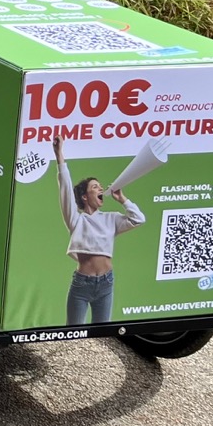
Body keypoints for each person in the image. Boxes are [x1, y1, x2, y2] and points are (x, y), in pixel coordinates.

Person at [53, 134, 145, 324]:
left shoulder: (111, 219)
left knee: (102, 331)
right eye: (95, 187)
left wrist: (123, 200)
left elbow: (138, 219)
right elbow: (65, 189)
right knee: (73, 332)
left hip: (106, 283)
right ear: (85, 197)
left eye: (101, 187)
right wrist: (59, 155)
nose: (100, 189)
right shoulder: (77, 220)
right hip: (82, 284)